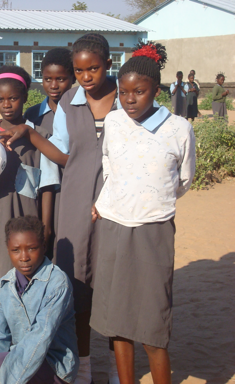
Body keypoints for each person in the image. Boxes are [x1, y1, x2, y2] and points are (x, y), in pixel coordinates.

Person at [0, 34, 129, 384]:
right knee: (78, 285)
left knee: (115, 287)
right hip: (77, 202)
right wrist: (32, 134)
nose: (85, 77)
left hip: (119, 205)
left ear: (108, 64)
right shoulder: (70, 100)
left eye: (93, 68)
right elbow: (66, 157)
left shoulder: (126, 97)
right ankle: (83, 368)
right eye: (80, 70)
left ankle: (116, 370)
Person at [91, 41, 196, 384]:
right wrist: (111, 202)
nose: (130, 99)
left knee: (152, 321)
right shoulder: (114, 122)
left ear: (156, 90)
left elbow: (184, 179)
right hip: (112, 226)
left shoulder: (179, 129)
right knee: (117, 320)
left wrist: (150, 201)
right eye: (124, 92)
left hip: (154, 229)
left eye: (140, 91)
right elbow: (108, 164)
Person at [0, 216, 79, 384]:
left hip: (54, 363)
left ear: (43, 247)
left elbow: (40, 338)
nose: (24, 257)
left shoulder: (57, 283)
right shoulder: (2, 287)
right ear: (8, 249)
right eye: (16, 250)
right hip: (18, 357)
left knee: (2, 367)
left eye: (31, 248)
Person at [0, 65, 52, 294]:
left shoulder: (39, 136)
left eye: (13, 98)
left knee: (25, 275)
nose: (6, 105)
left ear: (25, 97)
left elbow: (47, 185)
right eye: (1, 99)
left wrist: (45, 229)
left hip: (26, 216)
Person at [23, 47, 75, 259]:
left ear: (73, 78)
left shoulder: (81, 112)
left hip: (71, 190)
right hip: (41, 193)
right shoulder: (33, 114)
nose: (53, 86)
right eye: (47, 79)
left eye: (61, 79)